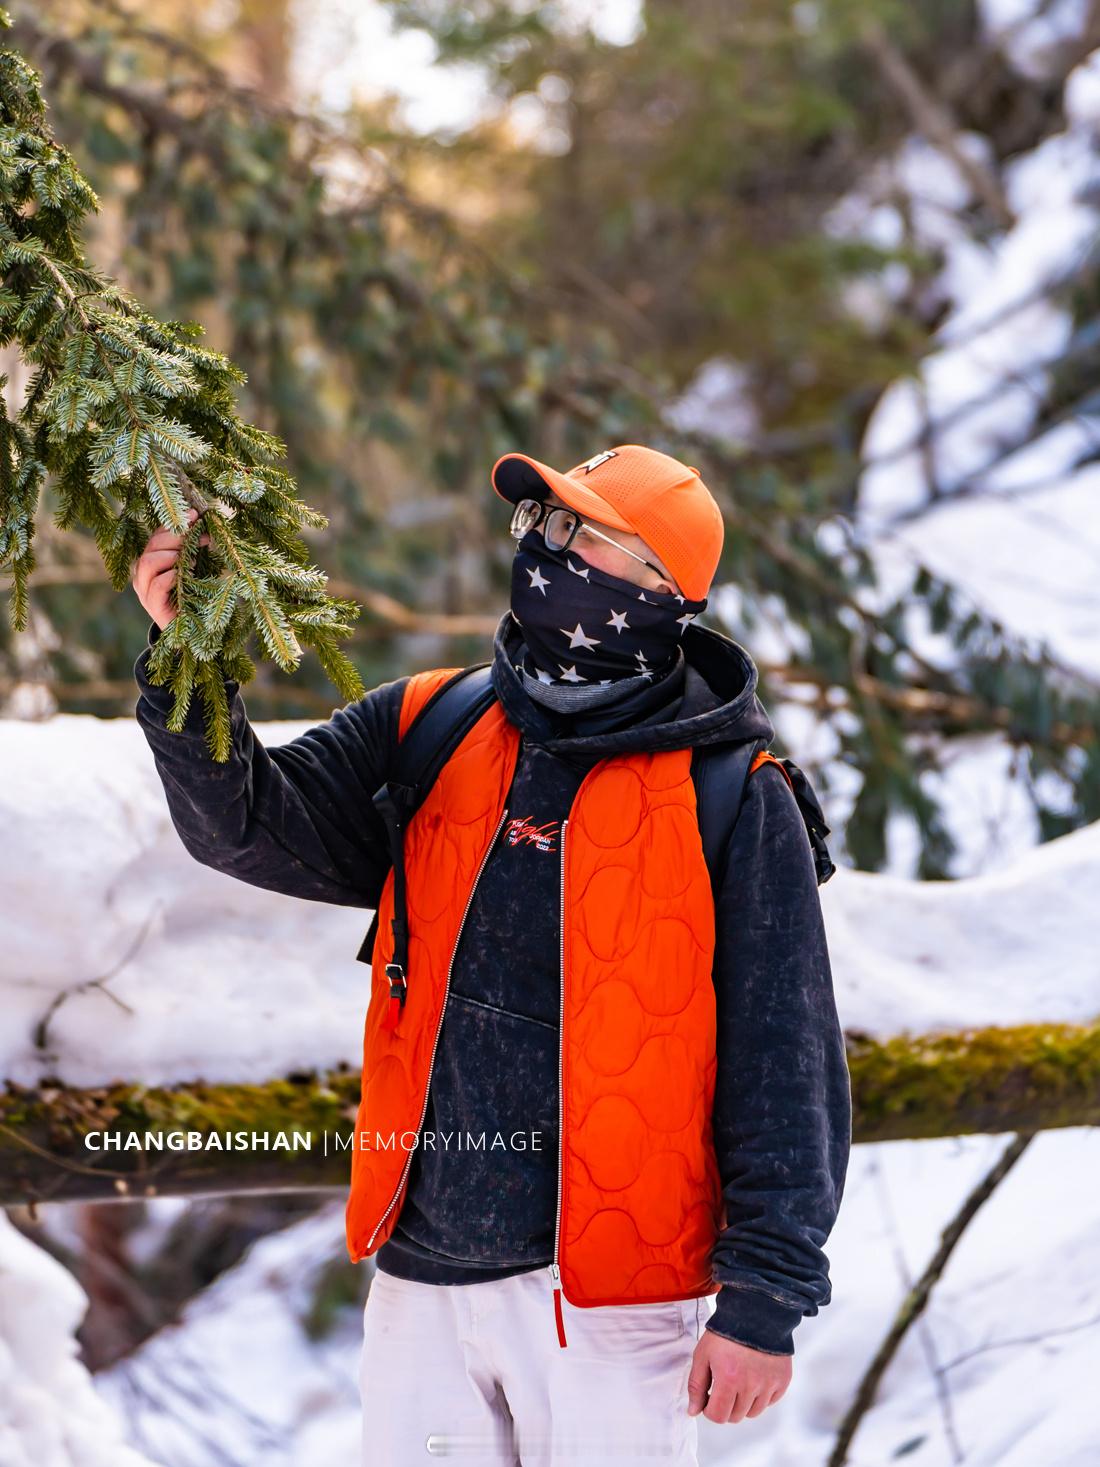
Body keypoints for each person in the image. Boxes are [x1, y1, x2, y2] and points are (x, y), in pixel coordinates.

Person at [131, 443, 851, 1466]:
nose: (538, 547)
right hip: (421, 1281)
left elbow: (786, 1059)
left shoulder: (732, 791)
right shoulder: (431, 723)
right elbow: (245, 823)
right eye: (537, 526)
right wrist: (188, 656)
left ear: (656, 585)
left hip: (609, 1307)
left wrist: (766, 1298)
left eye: (571, 531)